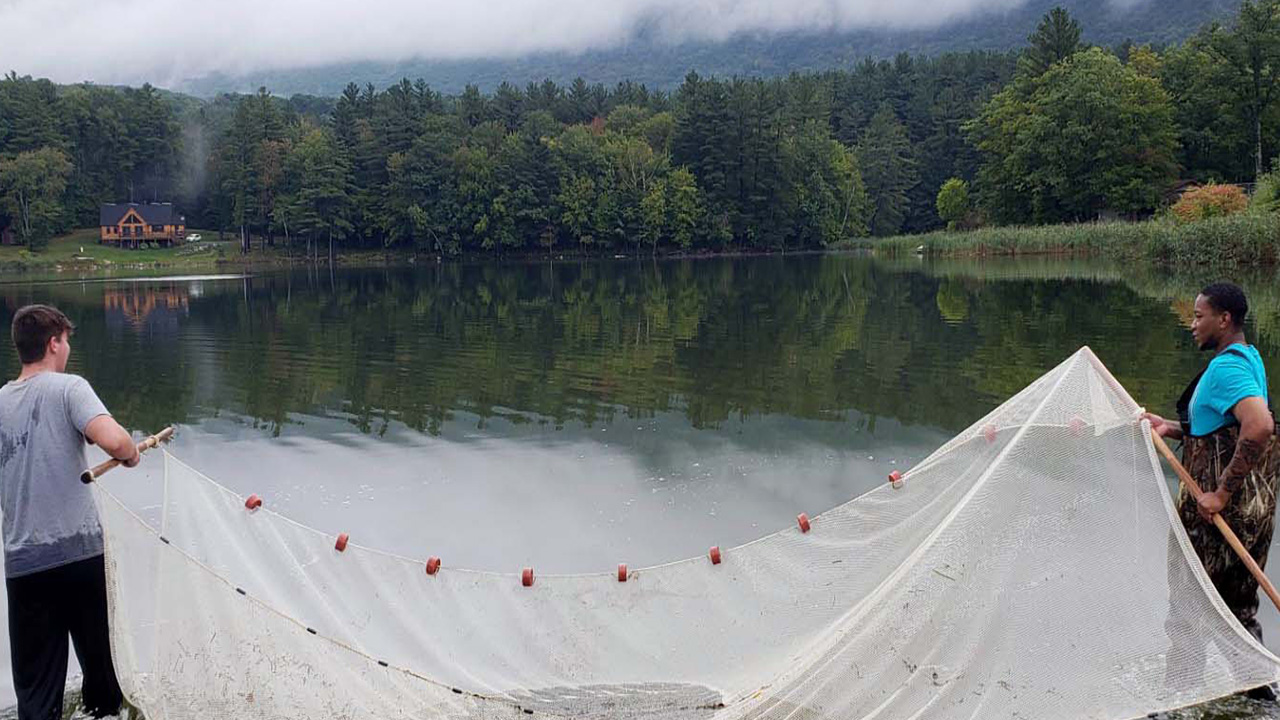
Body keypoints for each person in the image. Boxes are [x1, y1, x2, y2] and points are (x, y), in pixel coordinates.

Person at [0, 305, 141, 719]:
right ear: (53, 343)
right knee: (103, 681)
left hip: (24, 565)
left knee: (38, 695)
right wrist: (132, 452)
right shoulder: (69, 388)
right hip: (80, 557)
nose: (67, 351)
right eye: (66, 342)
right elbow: (115, 441)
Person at [1144, 283, 1278, 695]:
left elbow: (1258, 426)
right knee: (1238, 613)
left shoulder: (1225, 368)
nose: (1192, 324)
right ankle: (1260, 698)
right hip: (1252, 513)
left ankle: (1177, 697)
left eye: (1199, 316)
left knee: (1188, 608)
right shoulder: (1248, 358)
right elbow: (1225, 427)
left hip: (1216, 516)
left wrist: (1218, 494)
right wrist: (1172, 428)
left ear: (1224, 319)